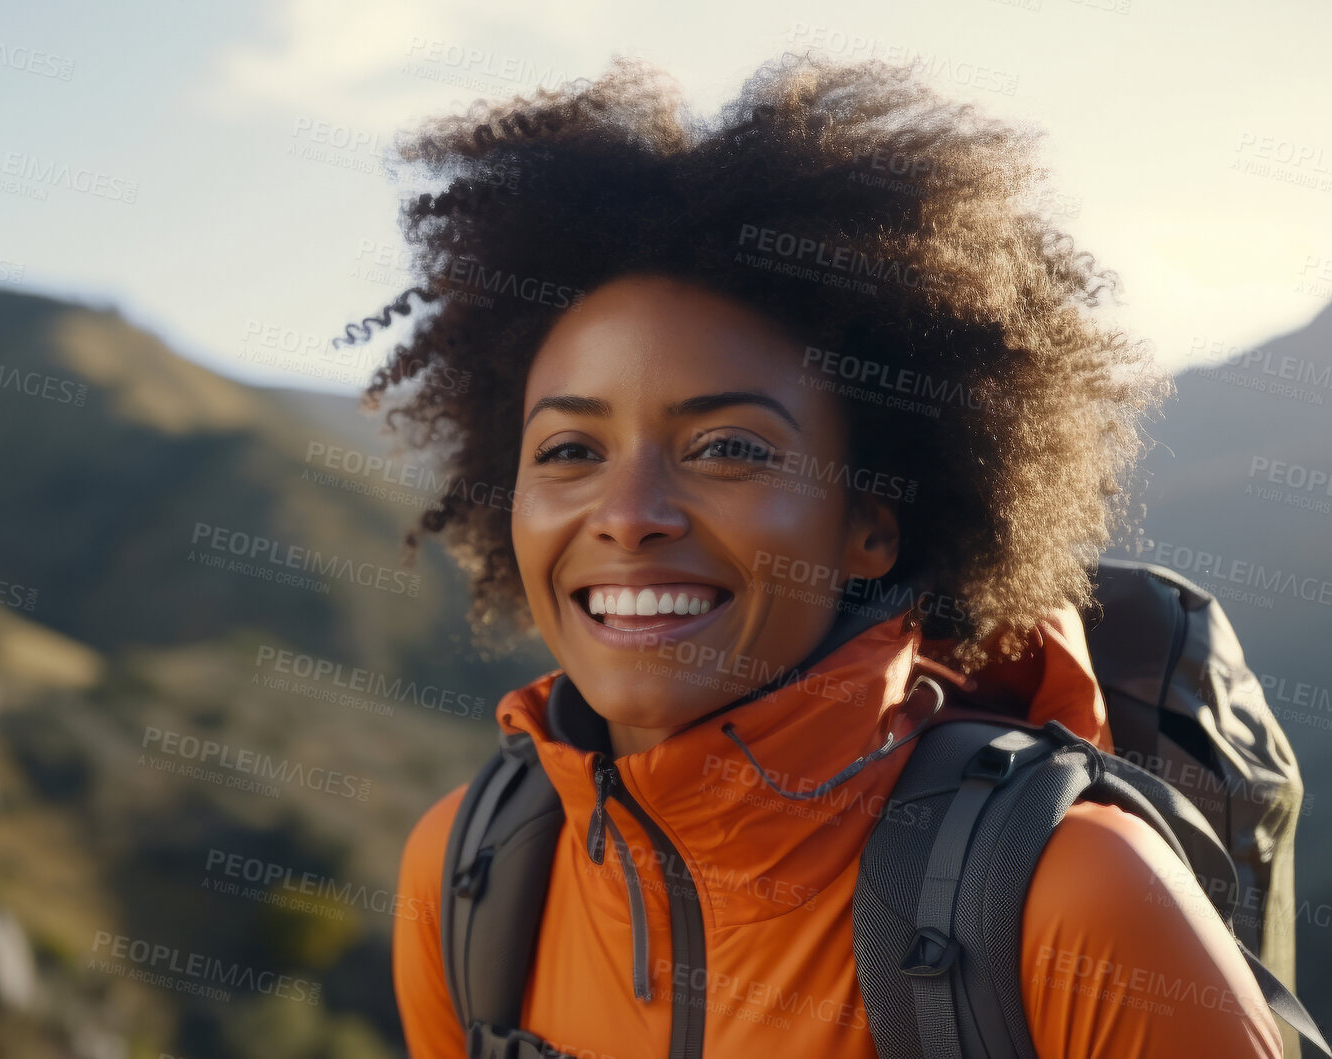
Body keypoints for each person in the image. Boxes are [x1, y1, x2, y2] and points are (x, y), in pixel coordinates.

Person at [345, 52, 1288, 1057]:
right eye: (570, 451)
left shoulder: (1078, 901)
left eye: (727, 450)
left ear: (868, 525)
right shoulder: (462, 876)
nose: (626, 515)